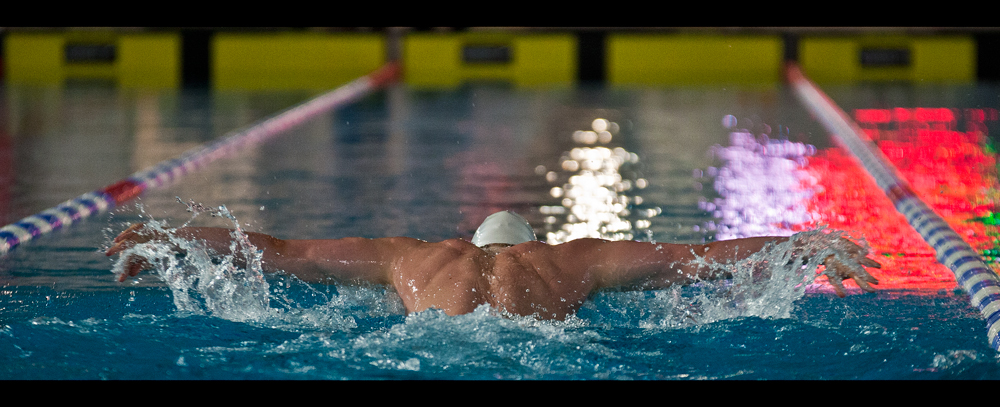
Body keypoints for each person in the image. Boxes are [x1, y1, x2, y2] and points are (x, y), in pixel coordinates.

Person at [106, 211, 880, 320]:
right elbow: (698, 257)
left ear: (472, 238)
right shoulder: (573, 260)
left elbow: (280, 253)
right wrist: (801, 243)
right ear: (530, 241)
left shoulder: (408, 259)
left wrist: (176, 233)